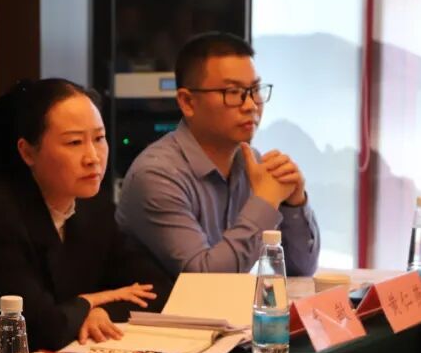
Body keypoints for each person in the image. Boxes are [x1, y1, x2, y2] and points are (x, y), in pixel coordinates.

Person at [0, 79, 173, 352]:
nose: (93, 157)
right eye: (74, 142)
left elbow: (157, 288)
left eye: (99, 138)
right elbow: (42, 329)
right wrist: (89, 301)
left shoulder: (92, 206)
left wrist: (100, 310)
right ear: (27, 152)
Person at [116, 32, 320, 276]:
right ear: (187, 102)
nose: (251, 105)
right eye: (233, 92)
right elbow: (206, 279)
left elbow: (301, 269)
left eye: (255, 89)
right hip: (166, 302)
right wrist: (265, 201)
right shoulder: (157, 175)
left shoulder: (251, 163)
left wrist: (293, 203)